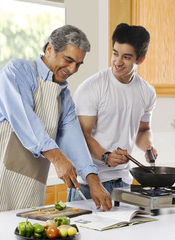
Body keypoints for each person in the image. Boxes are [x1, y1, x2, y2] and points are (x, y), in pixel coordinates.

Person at [0, 25, 112, 213]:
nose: (73, 69)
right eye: (68, 60)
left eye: (78, 64)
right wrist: (58, 159)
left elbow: (74, 140)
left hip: (28, 179)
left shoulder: (64, 97)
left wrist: (93, 180)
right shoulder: (16, 73)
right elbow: (25, 120)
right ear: (50, 49)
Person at [67, 23, 158, 202]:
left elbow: (143, 130)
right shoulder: (92, 88)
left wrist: (148, 146)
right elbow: (80, 135)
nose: (117, 61)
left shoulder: (147, 92)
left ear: (140, 59)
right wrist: (106, 156)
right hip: (89, 183)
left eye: (126, 57)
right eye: (115, 53)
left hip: (123, 183)